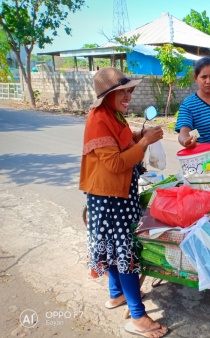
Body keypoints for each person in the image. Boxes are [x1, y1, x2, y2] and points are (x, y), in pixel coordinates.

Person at [79, 67, 168, 338]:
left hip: (118, 194)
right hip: (109, 198)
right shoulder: (98, 119)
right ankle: (138, 318)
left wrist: (142, 136)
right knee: (123, 254)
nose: (128, 95)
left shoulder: (115, 115)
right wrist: (143, 145)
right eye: (122, 91)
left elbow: (126, 144)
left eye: (129, 90)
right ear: (107, 95)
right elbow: (117, 162)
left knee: (115, 251)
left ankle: (117, 295)